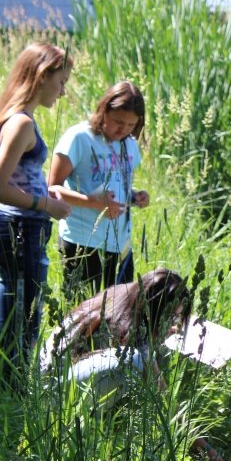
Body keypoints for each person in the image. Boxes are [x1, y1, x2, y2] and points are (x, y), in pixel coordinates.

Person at [40, 269, 226, 461]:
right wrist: (207, 450)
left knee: (143, 361)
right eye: (170, 318)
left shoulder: (125, 297)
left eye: (177, 319)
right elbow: (165, 404)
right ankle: (92, 432)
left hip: (71, 379)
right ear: (153, 311)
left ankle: (103, 426)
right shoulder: (127, 325)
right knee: (135, 362)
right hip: (53, 396)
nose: (174, 326)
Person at [0, 43, 74, 391]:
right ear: (42, 76)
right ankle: (10, 394)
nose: (63, 91)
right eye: (61, 81)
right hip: (21, 229)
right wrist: (44, 205)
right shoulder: (21, 123)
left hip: (13, 226)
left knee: (14, 317)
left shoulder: (7, 117)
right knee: (25, 322)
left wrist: (43, 194)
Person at [48, 82, 150, 301]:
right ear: (103, 110)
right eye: (118, 121)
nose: (123, 129)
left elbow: (116, 184)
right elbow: (51, 188)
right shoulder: (78, 138)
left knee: (120, 311)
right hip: (82, 241)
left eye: (131, 124)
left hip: (119, 243)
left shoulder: (128, 144)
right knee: (83, 310)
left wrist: (134, 196)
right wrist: (94, 202)